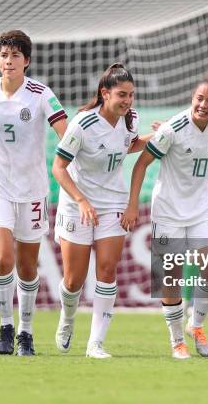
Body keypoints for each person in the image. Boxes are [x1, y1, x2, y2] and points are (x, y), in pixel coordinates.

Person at [0, 30, 68, 356]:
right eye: (3, 56)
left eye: (14, 56)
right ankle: (6, 325)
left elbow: (64, 131)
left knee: (27, 267)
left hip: (34, 188)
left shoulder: (40, 94)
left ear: (26, 60)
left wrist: (67, 163)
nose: (8, 61)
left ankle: (26, 331)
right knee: (2, 258)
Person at [123, 79, 208, 359]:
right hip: (168, 211)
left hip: (201, 210)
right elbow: (142, 164)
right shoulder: (173, 128)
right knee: (170, 278)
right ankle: (176, 340)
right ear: (192, 98)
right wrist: (133, 204)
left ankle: (195, 325)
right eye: (199, 98)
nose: (202, 104)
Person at [52, 63, 148, 359]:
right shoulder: (82, 123)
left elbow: (127, 146)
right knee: (74, 280)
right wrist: (81, 201)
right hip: (77, 204)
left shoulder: (130, 119)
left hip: (113, 204)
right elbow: (58, 168)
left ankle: (96, 343)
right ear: (104, 93)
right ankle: (67, 319)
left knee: (107, 269)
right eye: (122, 94)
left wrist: (157, 137)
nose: (127, 101)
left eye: (131, 95)